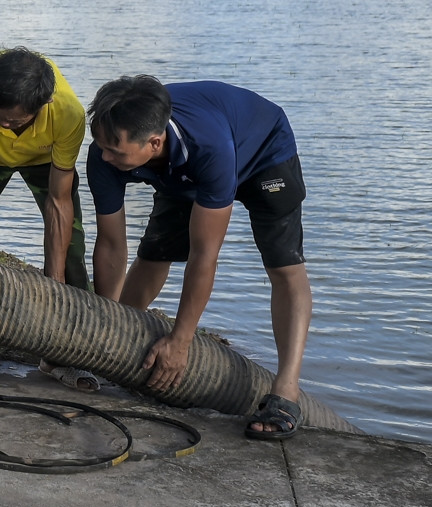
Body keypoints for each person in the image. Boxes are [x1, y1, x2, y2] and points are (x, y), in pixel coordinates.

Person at [86, 75, 313, 440]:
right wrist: (105, 327)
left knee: (284, 266)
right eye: (100, 146)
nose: (104, 157)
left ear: (154, 142)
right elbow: (112, 245)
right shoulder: (106, 149)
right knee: (154, 252)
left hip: (263, 152)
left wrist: (180, 341)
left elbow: (204, 256)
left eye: (115, 150)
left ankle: (287, 388)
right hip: (183, 169)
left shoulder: (209, 146)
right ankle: (119, 335)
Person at [0, 48, 92, 390]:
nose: (4, 124)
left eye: (14, 121)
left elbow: (58, 200)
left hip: (44, 156)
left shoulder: (67, 113)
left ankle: (62, 352)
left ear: (44, 105)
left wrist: (52, 284)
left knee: (72, 248)